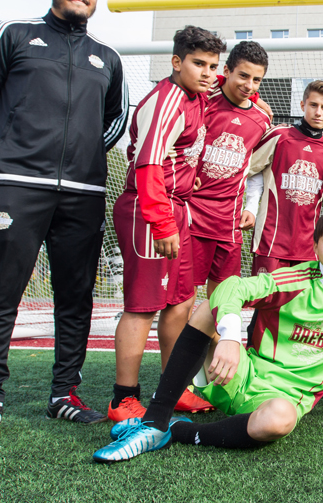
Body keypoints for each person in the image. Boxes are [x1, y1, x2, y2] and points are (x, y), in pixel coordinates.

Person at [92, 210, 323, 462]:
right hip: (236, 374)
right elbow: (233, 287)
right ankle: (154, 422)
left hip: (283, 399)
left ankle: (178, 431)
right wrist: (231, 339)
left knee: (279, 421)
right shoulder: (297, 279)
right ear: (315, 246)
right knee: (208, 307)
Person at [0, 0, 128, 440]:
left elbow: (113, 123)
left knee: (75, 298)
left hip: (83, 194)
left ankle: (64, 394)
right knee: (2, 294)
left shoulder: (107, 57)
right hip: (17, 185)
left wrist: (82, 160)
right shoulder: (13, 33)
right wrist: (13, 153)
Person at [108, 25, 226, 422]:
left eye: (214, 66)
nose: (209, 73)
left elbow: (224, 79)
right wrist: (161, 223)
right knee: (143, 306)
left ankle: (173, 389)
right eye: (199, 64)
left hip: (179, 209)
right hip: (149, 208)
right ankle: (123, 397)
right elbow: (148, 164)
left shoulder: (197, 92)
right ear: (176, 63)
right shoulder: (167, 100)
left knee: (181, 301)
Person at [189, 41, 274, 297]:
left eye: (257, 80)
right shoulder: (202, 99)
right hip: (192, 213)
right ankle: (183, 339)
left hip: (230, 220)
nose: (249, 86)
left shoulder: (262, 119)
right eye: (244, 76)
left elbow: (256, 167)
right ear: (226, 71)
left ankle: (214, 340)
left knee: (224, 296)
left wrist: (251, 206)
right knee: (183, 298)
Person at [244, 81, 323, 277]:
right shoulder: (280, 136)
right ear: (302, 105)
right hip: (270, 240)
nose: (318, 112)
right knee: (266, 304)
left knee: (299, 306)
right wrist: (250, 206)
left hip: (307, 246)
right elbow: (247, 168)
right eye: (313, 105)